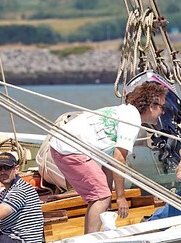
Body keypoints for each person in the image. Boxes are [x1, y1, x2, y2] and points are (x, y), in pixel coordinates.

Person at [48, 81, 168, 234]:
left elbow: (109, 162)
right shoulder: (132, 120)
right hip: (69, 149)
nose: (163, 112)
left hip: (62, 145)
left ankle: (90, 237)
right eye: (162, 107)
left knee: (102, 196)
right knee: (101, 196)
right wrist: (120, 197)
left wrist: (109, 199)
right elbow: (119, 160)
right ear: (152, 106)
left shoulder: (125, 112)